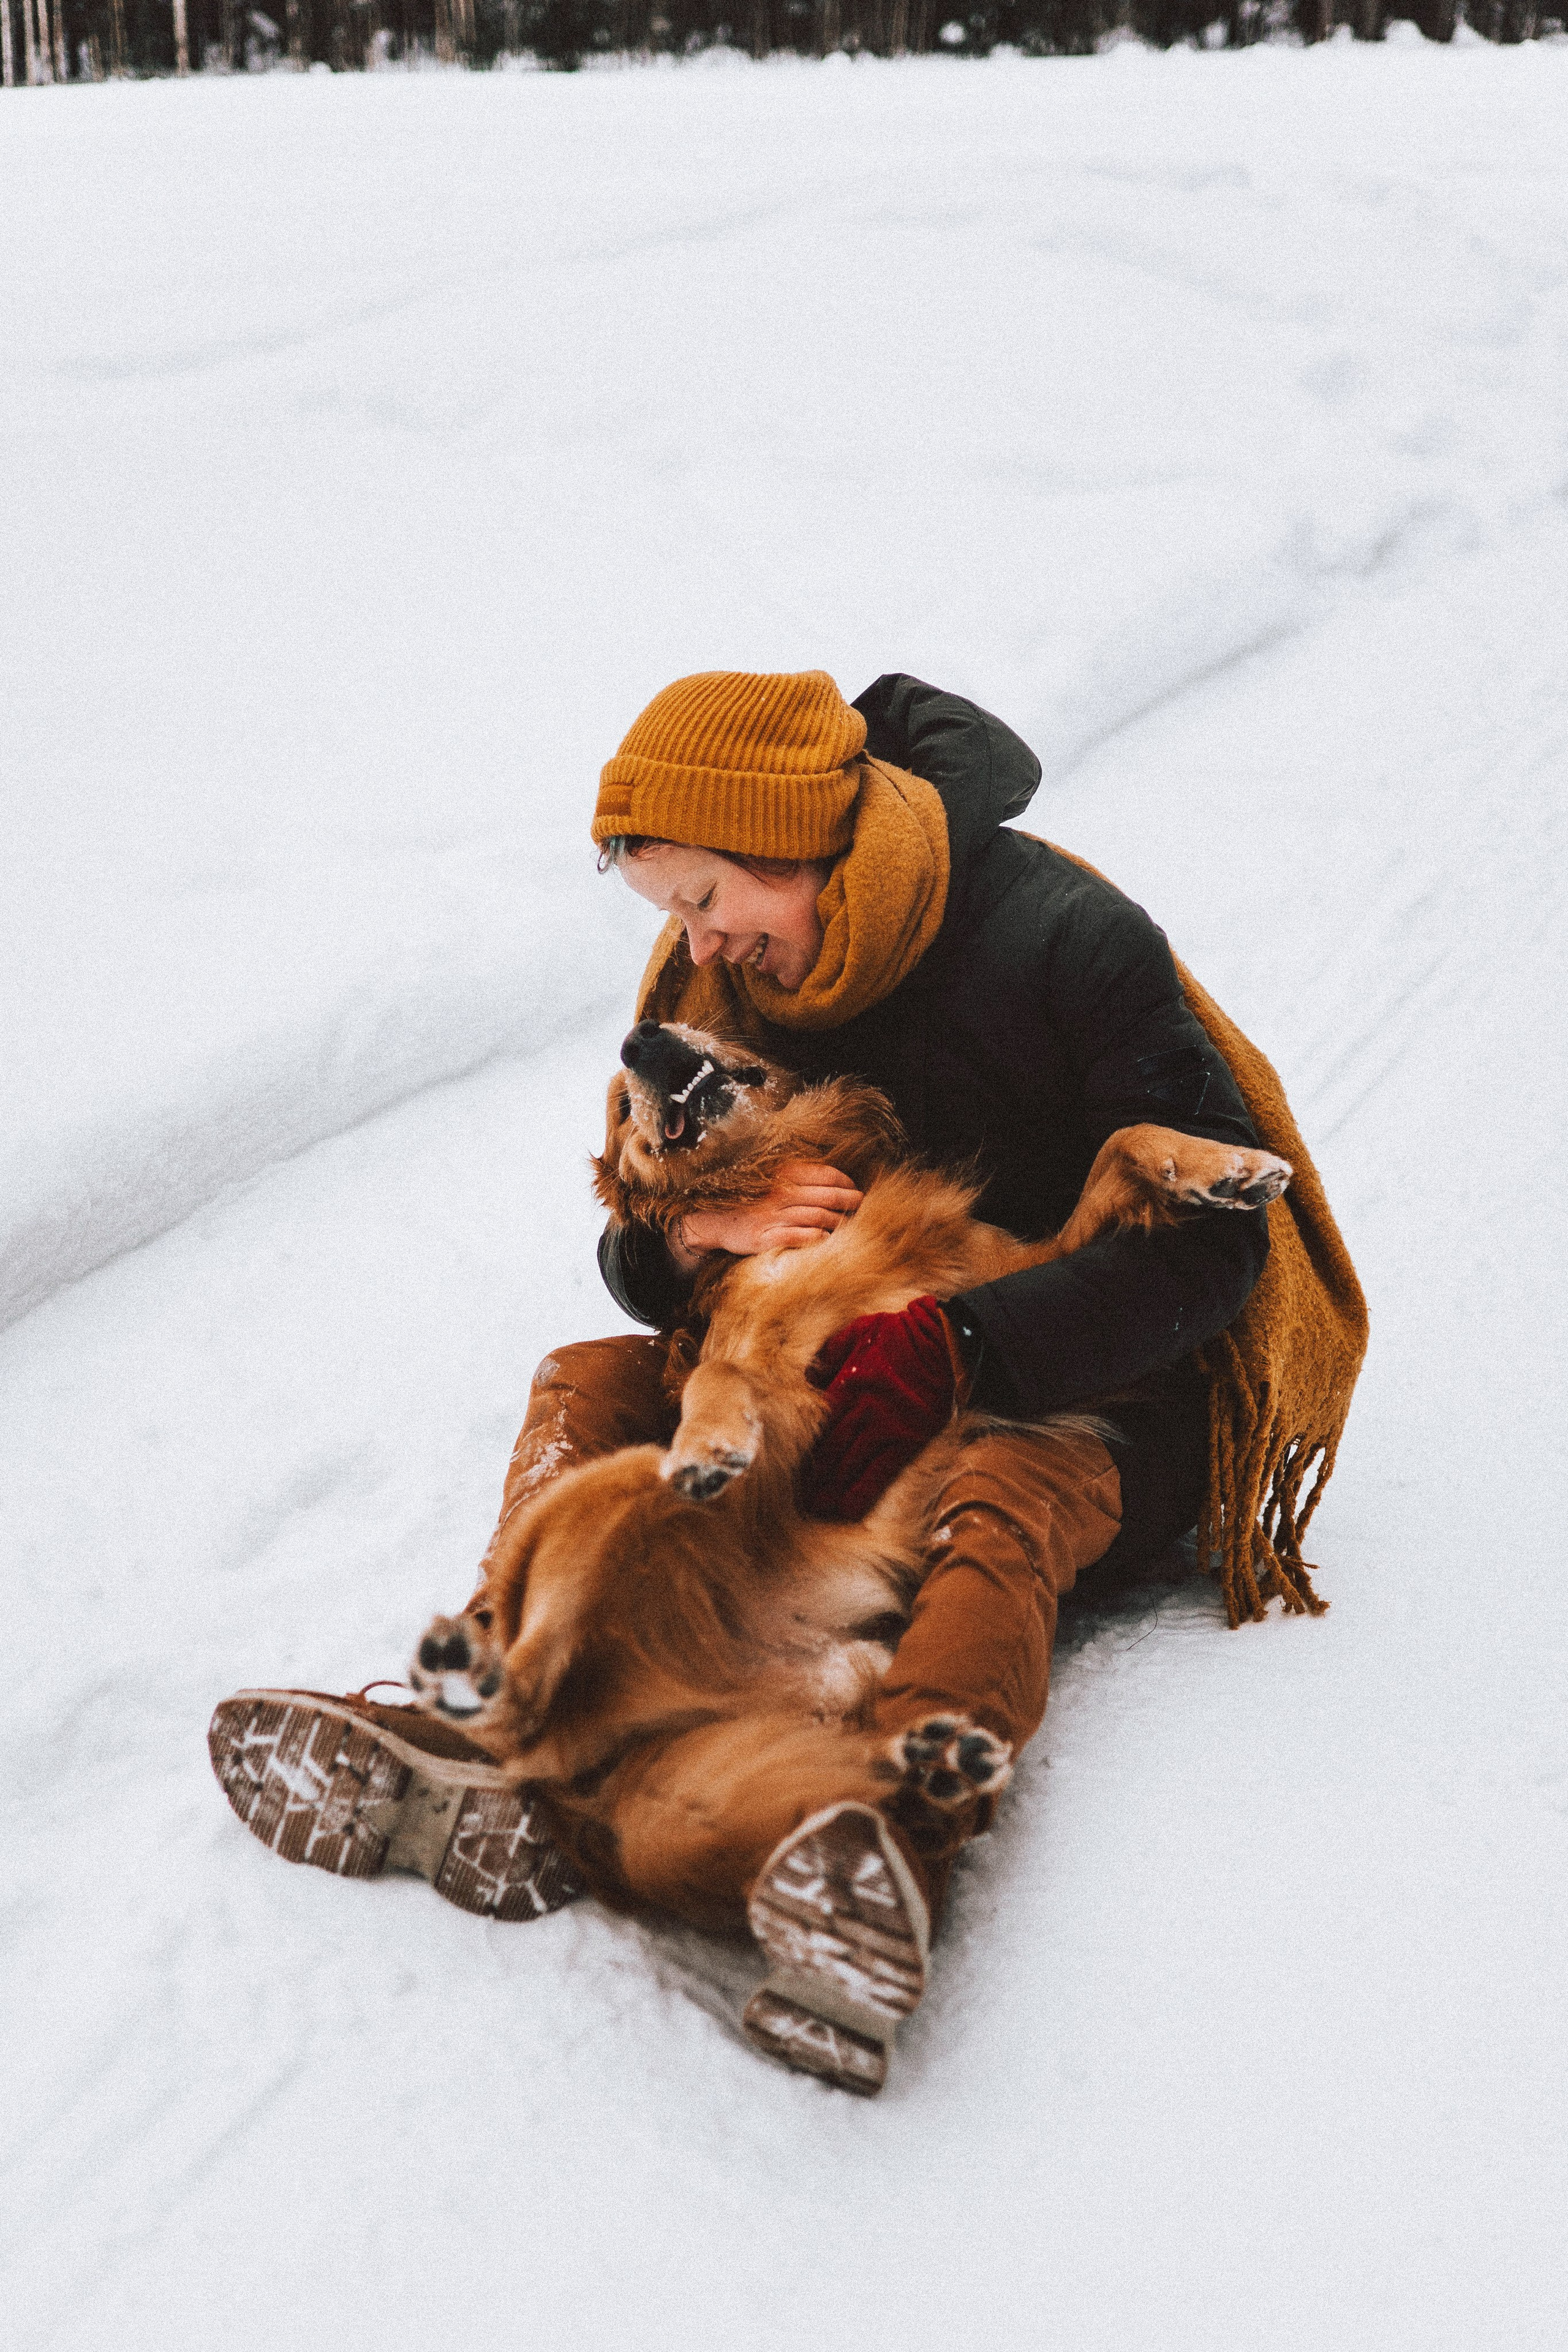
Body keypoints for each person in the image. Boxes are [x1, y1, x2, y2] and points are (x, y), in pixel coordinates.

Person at [209, 670, 1365, 2096]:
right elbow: (635, 1243)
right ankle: (493, 1708)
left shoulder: (1064, 936)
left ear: (793, 844)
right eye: (669, 917)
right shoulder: (718, 981)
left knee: (1004, 1487)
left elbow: (1213, 1254)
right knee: (594, 1379)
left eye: (707, 899)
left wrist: (967, 1351)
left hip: (1094, 1378)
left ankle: (883, 1838)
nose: (695, 946)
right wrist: (703, 1228)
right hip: (826, 1360)